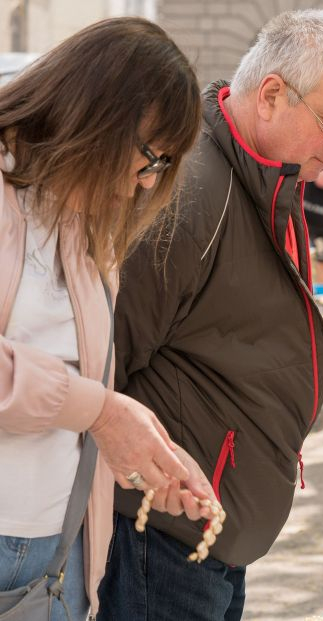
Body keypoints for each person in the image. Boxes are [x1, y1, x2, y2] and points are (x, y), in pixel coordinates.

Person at [97, 10, 323, 620]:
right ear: (272, 95)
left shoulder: (261, 174)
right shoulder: (190, 190)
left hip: (211, 524)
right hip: (163, 530)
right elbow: (104, 362)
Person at [0, 17, 208, 621]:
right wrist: (103, 412)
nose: (143, 186)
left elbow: (79, 388)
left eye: (161, 167)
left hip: (61, 553)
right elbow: (84, 400)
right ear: (97, 114)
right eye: (149, 158)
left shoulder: (82, 222)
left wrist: (142, 457)